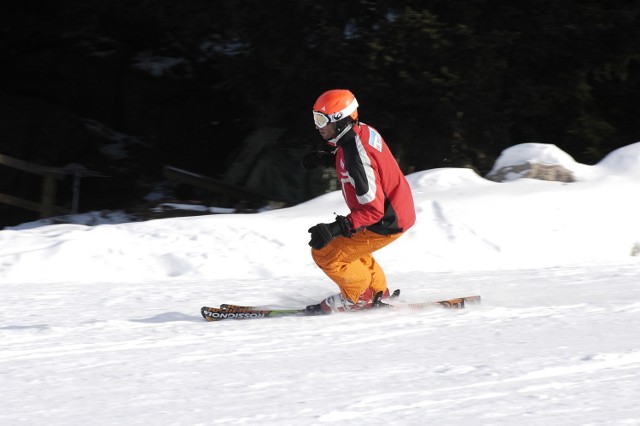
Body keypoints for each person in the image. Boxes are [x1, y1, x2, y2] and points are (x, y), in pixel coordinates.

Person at [302, 89, 416, 314]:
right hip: (396, 210)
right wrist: (329, 159)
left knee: (325, 252)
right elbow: (366, 159)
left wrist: (336, 228)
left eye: (321, 119)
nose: (317, 126)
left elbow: (373, 209)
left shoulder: (355, 154)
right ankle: (377, 294)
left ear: (339, 119)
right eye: (315, 118)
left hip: (385, 218)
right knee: (355, 251)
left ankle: (359, 297)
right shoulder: (361, 131)